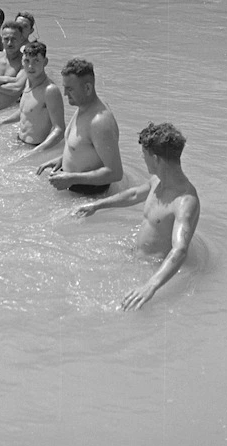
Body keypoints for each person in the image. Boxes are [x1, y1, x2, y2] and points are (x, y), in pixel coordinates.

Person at [75, 122, 201, 311]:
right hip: (136, 260)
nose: (143, 158)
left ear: (156, 159)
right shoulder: (158, 181)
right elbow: (133, 194)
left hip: (153, 272)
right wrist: (97, 205)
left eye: (144, 154)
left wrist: (150, 286)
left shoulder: (184, 201)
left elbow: (180, 250)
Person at [36, 58, 123, 195]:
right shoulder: (83, 107)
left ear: (87, 88)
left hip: (88, 197)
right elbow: (84, 148)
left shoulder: (100, 122)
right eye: (64, 88)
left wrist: (71, 178)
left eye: (70, 89)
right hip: (72, 187)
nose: (65, 94)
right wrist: (63, 159)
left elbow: (115, 173)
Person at [0, 41, 65, 156]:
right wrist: (0, 123)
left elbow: (60, 131)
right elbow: (25, 111)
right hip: (20, 143)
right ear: (22, 62)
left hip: (35, 149)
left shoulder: (50, 90)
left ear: (45, 62)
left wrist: (34, 153)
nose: (31, 66)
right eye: (27, 61)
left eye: (36, 61)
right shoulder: (28, 82)